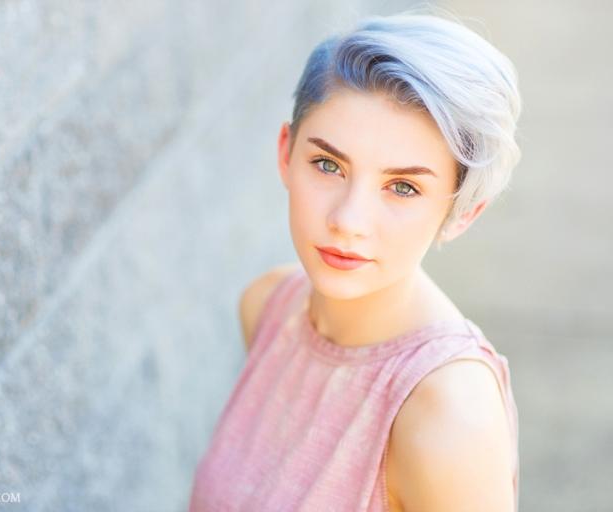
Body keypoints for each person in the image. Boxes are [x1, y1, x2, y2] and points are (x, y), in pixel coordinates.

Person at [189, 8, 521, 512]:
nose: (349, 219)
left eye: (403, 187)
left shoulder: (447, 413)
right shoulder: (267, 308)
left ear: (462, 212)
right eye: (328, 164)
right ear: (286, 152)